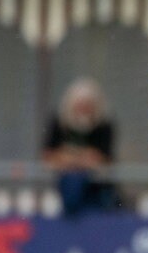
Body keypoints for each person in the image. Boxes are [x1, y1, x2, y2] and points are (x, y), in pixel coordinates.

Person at [42, 77, 120, 217]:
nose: (83, 109)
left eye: (87, 105)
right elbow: (50, 157)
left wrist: (69, 156)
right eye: (80, 105)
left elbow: (100, 159)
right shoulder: (59, 123)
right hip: (65, 187)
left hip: (97, 189)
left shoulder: (103, 126)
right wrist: (82, 158)